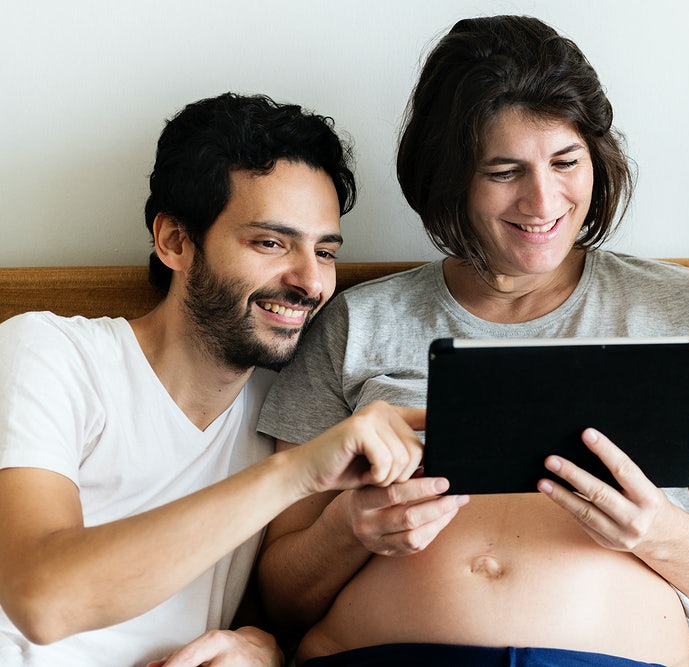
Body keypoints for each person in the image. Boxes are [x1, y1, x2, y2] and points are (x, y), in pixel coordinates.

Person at [256, 15, 689, 667]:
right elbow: (279, 597)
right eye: (504, 171)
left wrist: (655, 532)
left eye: (565, 162)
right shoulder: (355, 322)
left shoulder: (673, 306)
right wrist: (351, 526)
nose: (543, 199)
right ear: (452, 178)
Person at [0, 92, 424, 667]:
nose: (309, 282)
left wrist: (262, 649)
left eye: (324, 251)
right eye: (271, 243)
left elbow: (268, 608)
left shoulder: (285, 408)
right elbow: (41, 599)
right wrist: (297, 472)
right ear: (175, 241)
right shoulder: (52, 351)